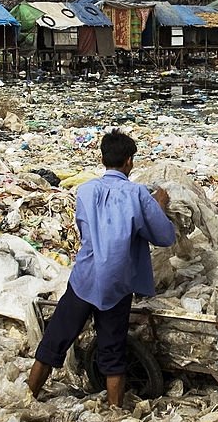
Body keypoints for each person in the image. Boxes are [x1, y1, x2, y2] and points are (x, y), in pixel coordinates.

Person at [27, 130, 176, 405]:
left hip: (85, 278)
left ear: (103, 158)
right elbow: (165, 236)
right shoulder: (138, 195)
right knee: (113, 351)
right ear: (129, 161)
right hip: (117, 285)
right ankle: (114, 413)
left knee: (55, 339)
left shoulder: (85, 190)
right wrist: (160, 207)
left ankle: (27, 397)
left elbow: (86, 228)